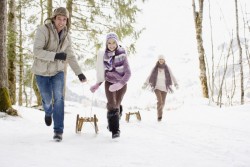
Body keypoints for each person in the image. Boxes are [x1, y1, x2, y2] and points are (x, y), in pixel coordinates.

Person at [32, 7, 87, 141]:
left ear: (67, 21)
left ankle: (58, 131)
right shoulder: (43, 30)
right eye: (59, 19)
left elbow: (71, 56)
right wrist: (56, 55)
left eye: (64, 19)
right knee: (47, 99)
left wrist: (79, 73)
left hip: (58, 71)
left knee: (59, 98)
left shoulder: (67, 36)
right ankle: (48, 111)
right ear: (54, 18)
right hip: (41, 72)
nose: (61, 22)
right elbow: (37, 51)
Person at [90, 32, 131, 139]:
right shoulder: (104, 56)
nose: (111, 45)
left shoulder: (122, 55)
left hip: (121, 84)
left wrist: (119, 84)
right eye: (109, 43)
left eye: (113, 42)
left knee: (116, 105)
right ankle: (115, 131)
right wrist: (97, 84)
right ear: (106, 44)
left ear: (117, 43)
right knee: (112, 105)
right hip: (109, 82)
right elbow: (102, 72)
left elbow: (128, 73)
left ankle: (115, 116)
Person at [143, 55, 178, 122]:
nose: (161, 60)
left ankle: (159, 111)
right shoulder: (155, 68)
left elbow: (172, 76)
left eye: (162, 59)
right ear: (158, 60)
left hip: (165, 88)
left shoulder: (167, 68)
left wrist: (176, 83)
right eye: (160, 59)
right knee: (160, 101)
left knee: (163, 103)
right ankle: (159, 116)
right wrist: (145, 83)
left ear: (164, 60)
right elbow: (150, 76)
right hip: (157, 87)